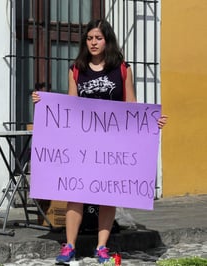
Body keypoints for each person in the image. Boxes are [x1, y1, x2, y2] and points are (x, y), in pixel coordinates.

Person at [32, 19, 168, 264]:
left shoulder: (122, 69)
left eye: (98, 38)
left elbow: (132, 106)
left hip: (112, 145)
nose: (93, 43)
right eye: (89, 38)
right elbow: (71, 108)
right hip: (83, 145)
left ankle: (102, 247)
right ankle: (69, 245)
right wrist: (43, 104)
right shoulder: (76, 69)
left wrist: (150, 122)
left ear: (107, 41)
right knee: (75, 194)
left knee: (107, 195)